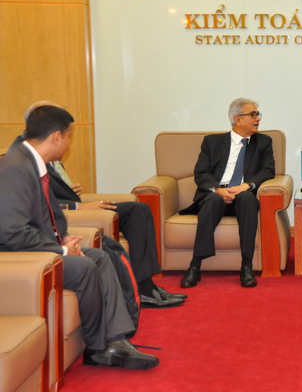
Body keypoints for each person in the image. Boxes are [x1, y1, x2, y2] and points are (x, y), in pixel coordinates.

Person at [0, 105, 159, 369]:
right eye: (69, 136)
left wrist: (63, 238)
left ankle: (115, 339)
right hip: (20, 256)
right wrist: (61, 251)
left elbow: (49, 216)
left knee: (101, 256)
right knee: (85, 266)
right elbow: (11, 232)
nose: (68, 143)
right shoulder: (15, 168)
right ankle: (98, 348)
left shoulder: (33, 163)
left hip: (37, 249)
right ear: (56, 137)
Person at [9, 101, 185, 308]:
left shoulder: (41, 152)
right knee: (129, 221)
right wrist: (78, 207)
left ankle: (146, 285)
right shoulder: (23, 159)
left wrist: (72, 192)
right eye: (68, 136)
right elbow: (40, 205)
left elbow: (50, 192)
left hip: (76, 204)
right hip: (74, 212)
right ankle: (144, 289)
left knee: (139, 209)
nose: (68, 143)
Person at [180, 98, 275, 288]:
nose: (258, 118)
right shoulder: (212, 142)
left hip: (242, 194)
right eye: (253, 115)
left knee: (247, 199)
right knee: (213, 200)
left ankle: (246, 266)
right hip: (214, 193)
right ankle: (195, 266)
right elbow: (201, 173)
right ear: (237, 119)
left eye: (258, 114)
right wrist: (218, 190)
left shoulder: (263, 142)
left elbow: (268, 170)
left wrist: (246, 185)